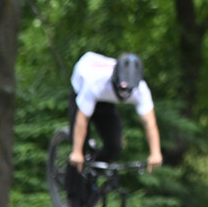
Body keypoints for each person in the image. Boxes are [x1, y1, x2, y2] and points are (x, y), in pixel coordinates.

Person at [66, 52, 163, 207]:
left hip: (106, 101)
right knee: (79, 148)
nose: (125, 95)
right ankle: (72, 198)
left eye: (129, 91)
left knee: (114, 145)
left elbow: (150, 123)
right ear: (115, 80)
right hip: (82, 91)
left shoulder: (141, 89)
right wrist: (77, 152)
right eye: (121, 89)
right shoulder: (95, 83)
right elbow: (82, 120)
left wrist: (155, 152)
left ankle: (92, 174)